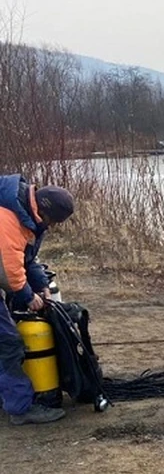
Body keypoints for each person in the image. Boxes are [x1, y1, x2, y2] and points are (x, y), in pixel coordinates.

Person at [0, 175, 75, 425]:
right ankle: (20, 409)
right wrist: (27, 296)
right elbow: (9, 272)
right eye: (53, 221)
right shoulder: (8, 218)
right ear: (43, 209)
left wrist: (41, 286)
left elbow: (27, 259)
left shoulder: (28, 217)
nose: (51, 227)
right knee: (8, 342)